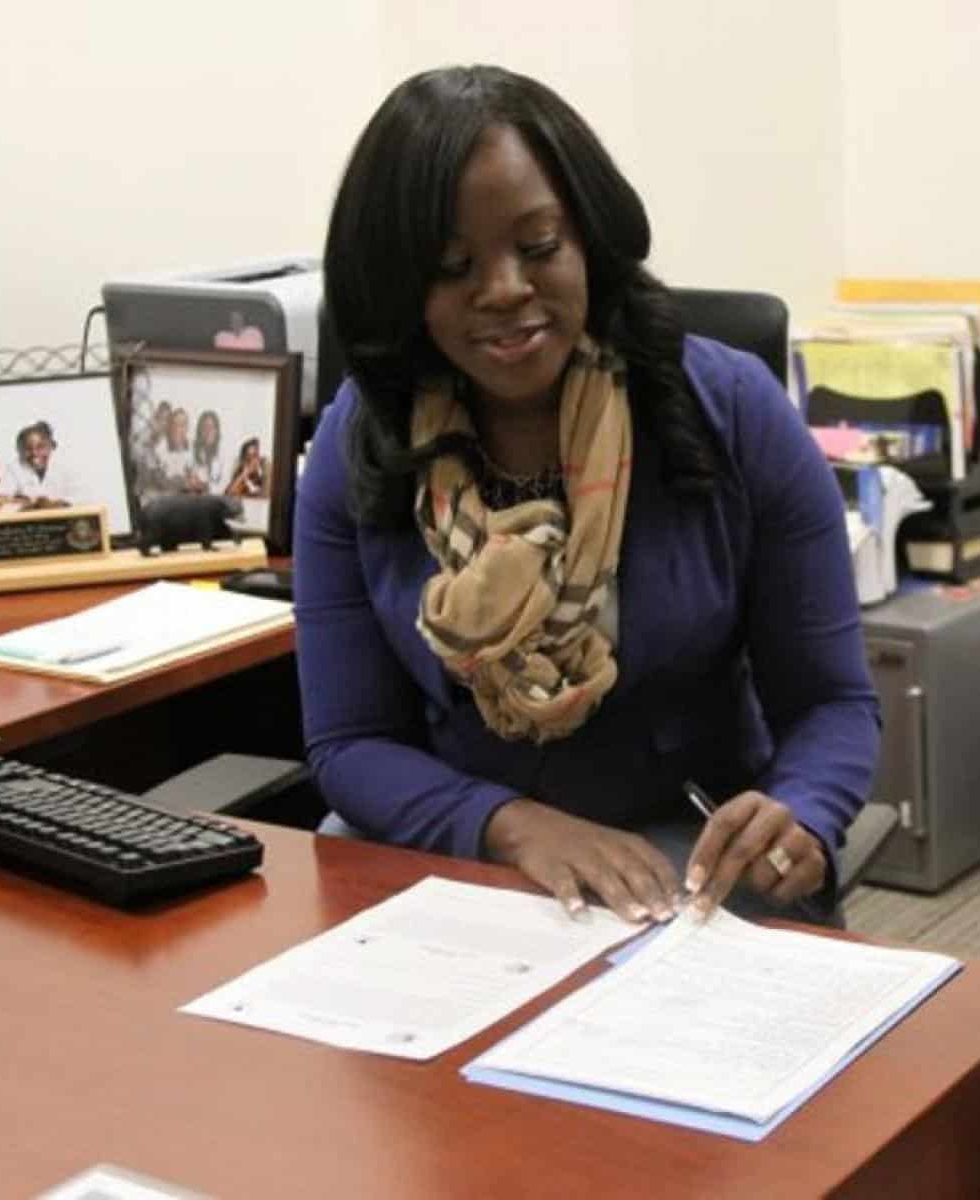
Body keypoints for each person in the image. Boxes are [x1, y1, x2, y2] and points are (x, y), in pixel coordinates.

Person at [298, 65, 878, 928]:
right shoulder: (361, 443)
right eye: (453, 265)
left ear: (588, 239)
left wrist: (805, 812)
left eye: (538, 247)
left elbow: (832, 703)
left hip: (692, 849)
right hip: (457, 841)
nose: (505, 288)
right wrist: (511, 826)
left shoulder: (731, 411)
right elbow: (349, 742)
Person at [4, 420, 77, 506]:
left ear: (52, 446)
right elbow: (4, 497)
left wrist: (55, 503)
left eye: (40, 447)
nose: (34, 453)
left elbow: (80, 496)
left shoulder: (66, 466)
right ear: (19, 450)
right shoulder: (14, 469)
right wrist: (27, 502)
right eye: (28, 449)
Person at [189, 410, 225, 494]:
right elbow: (191, 480)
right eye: (205, 427)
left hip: (218, 499)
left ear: (216, 430)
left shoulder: (224, 454)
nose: (208, 431)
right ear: (200, 431)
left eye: (211, 427)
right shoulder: (192, 452)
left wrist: (206, 486)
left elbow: (224, 484)